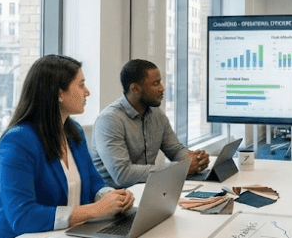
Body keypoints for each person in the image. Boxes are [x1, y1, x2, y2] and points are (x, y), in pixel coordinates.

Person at [0, 55, 134, 238]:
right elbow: (23, 216)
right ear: (59, 93)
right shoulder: (17, 142)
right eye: (81, 85)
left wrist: (113, 197)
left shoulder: (73, 131)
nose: (87, 92)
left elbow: (93, 183)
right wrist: (94, 210)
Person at [90, 59, 210, 189]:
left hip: (150, 190)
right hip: (117, 198)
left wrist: (193, 160)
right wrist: (181, 168)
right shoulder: (109, 120)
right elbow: (122, 175)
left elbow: (175, 150)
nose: (162, 88)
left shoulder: (156, 114)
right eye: (155, 83)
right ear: (135, 89)